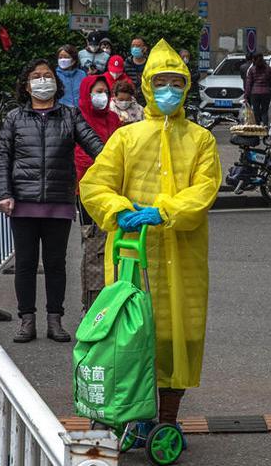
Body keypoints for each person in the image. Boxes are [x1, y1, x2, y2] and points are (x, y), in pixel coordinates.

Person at [80, 39, 222, 436]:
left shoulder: (201, 140)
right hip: (132, 256)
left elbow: (205, 189)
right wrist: (118, 210)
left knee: (180, 338)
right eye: (161, 82)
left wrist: (163, 212)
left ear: (187, 86)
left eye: (177, 83)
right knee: (131, 340)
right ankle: (134, 418)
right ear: (146, 85)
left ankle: (167, 422)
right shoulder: (126, 138)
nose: (169, 90)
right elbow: (96, 184)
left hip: (184, 256)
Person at [0, 58, 105, 344]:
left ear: (56, 83)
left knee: (56, 264)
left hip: (59, 202)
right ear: (26, 84)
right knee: (26, 264)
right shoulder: (15, 118)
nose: (42, 81)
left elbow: (96, 146)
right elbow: (3, 157)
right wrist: (4, 193)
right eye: (36, 76)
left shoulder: (70, 116)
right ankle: (26, 320)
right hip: (23, 202)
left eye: (47, 75)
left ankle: (55, 319)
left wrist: (120, 159)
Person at [75, 74, 121, 313]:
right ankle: (91, 301)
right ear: (86, 93)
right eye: (96, 91)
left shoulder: (114, 118)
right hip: (87, 191)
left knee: (114, 245)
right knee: (93, 245)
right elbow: (80, 157)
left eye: (105, 91)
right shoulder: (78, 118)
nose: (101, 96)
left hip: (114, 190)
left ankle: (111, 299)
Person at [244, 53, 271, 126]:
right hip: (266, 93)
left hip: (255, 93)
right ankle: (265, 129)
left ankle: (257, 128)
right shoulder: (268, 69)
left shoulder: (251, 70)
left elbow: (248, 84)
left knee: (256, 112)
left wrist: (246, 95)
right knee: (264, 112)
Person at [124, 37, 149, 106]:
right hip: (129, 101)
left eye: (138, 46)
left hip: (146, 101)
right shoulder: (126, 64)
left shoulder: (149, 64)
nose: (135, 48)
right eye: (133, 46)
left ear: (144, 48)